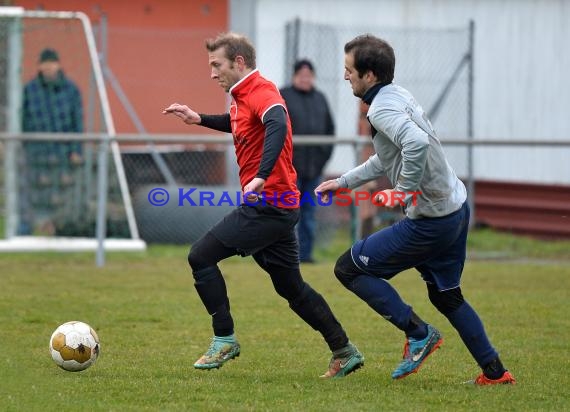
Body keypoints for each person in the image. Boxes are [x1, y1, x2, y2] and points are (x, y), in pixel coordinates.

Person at [315, 34, 516, 385]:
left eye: (349, 70)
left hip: (431, 222)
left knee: (348, 269)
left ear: (370, 75)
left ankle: (418, 334)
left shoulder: (381, 108)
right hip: (454, 209)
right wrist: (344, 182)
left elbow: (416, 142)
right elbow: (389, 156)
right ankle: (495, 373)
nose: (345, 76)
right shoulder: (397, 94)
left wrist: (402, 191)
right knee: (447, 295)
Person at [162, 32, 363, 378]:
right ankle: (344, 350)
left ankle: (224, 338)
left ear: (239, 63)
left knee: (200, 256)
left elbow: (277, 123)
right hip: (279, 205)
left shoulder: (263, 90)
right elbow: (241, 124)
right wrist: (200, 119)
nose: (212, 73)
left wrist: (262, 174)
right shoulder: (241, 97)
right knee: (291, 288)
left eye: (216, 65)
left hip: (269, 203)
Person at [19, 48, 83, 235]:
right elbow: (23, 118)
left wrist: (75, 150)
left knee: (60, 192)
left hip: (62, 150)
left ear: (58, 64)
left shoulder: (71, 89)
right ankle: (27, 228)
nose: (48, 67)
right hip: (36, 149)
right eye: (44, 63)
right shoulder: (29, 90)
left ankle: (58, 228)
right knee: (34, 191)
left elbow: (76, 121)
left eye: (51, 63)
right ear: (39, 66)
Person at [280, 59, 334, 263]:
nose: (305, 78)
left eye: (308, 75)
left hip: (314, 169)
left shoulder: (320, 98)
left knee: (309, 214)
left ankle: (306, 255)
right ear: (294, 76)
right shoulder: (283, 96)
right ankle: (286, 256)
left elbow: (330, 130)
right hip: (289, 169)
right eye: (301, 75)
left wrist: (323, 158)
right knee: (287, 213)